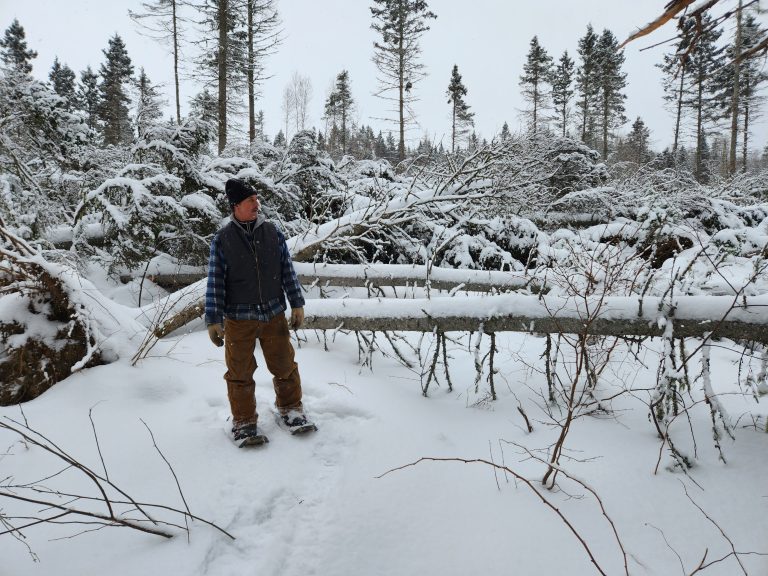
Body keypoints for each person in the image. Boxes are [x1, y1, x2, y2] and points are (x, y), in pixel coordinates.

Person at [205, 177, 313, 446]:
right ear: (236, 205)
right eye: (250, 200)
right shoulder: (223, 240)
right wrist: (213, 320)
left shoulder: (272, 232)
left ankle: (291, 409)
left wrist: (297, 303)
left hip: (273, 314)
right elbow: (215, 282)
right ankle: (243, 422)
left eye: (256, 199)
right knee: (240, 373)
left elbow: (286, 270)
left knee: (285, 365)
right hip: (238, 318)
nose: (256, 204)